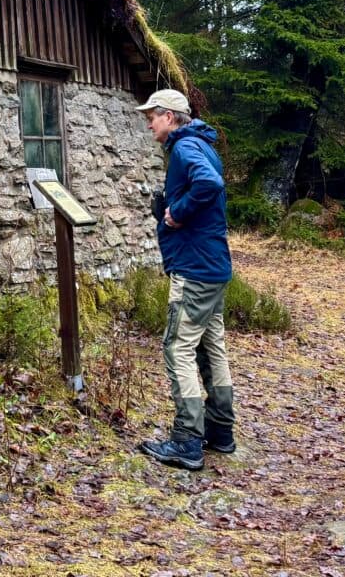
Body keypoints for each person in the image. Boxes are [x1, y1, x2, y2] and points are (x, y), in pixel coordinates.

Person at [135, 88, 236, 471]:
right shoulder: (202, 144)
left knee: (177, 347)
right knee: (212, 346)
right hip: (213, 266)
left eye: (152, 117)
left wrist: (176, 211)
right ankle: (221, 433)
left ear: (170, 117)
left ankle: (187, 442)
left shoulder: (185, 148)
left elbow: (209, 184)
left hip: (193, 268)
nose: (149, 124)